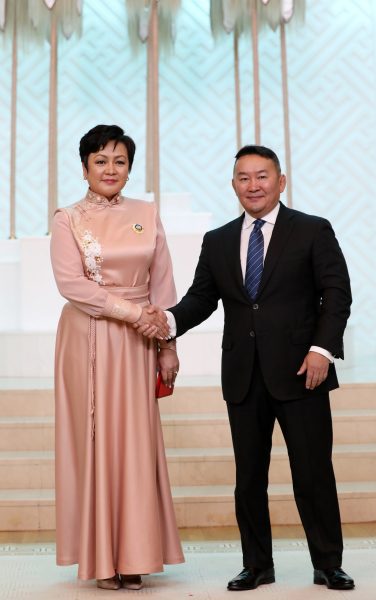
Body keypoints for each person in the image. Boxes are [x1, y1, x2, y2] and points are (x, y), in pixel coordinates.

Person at [140, 145, 354, 591]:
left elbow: (336, 294)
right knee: (249, 478)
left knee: (313, 474)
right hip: (243, 374)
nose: (253, 185)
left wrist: (322, 350)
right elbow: (201, 298)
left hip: (303, 371)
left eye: (262, 176)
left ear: (281, 181)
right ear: (233, 184)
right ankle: (256, 565)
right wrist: (169, 322)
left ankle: (328, 564)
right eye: (243, 177)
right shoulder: (218, 240)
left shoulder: (312, 230)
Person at [50, 124, 184, 590]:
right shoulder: (67, 218)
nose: (111, 169)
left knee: (136, 442)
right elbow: (71, 285)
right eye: (101, 161)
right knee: (94, 441)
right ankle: (101, 558)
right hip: (89, 337)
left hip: (139, 342)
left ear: (130, 168)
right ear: (84, 167)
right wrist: (134, 314)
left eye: (120, 161)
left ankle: (135, 554)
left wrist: (167, 344)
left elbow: (163, 283)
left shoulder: (147, 213)